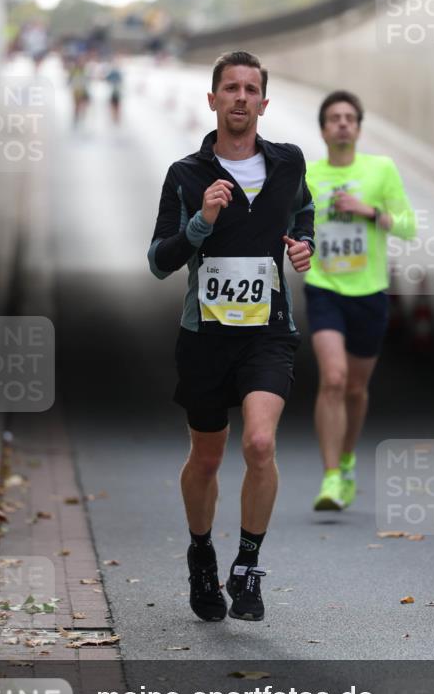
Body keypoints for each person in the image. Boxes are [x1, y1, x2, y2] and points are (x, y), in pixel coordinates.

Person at [148, 50, 314, 622]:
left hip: (268, 333)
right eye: (231, 88)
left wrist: (303, 245)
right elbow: (159, 261)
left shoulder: (289, 162)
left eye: (251, 90)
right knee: (207, 457)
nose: (241, 98)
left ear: (264, 103)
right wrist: (203, 221)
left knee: (260, 444)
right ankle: (201, 555)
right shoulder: (187, 175)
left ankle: (246, 567)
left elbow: (304, 212)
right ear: (213, 99)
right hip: (205, 338)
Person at [304, 91, 415, 511]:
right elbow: (293, 223)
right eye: (334, 117)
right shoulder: (309, 176)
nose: (343, 123)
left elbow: (407, 227)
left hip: (369, 293)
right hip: (324, 287)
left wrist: (368, 212)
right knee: (332, 378)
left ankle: (347, 459)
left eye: (350, 117)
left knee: (355, 388)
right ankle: (331, 476)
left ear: (359, 128)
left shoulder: (380, 170)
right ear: (323, 129)